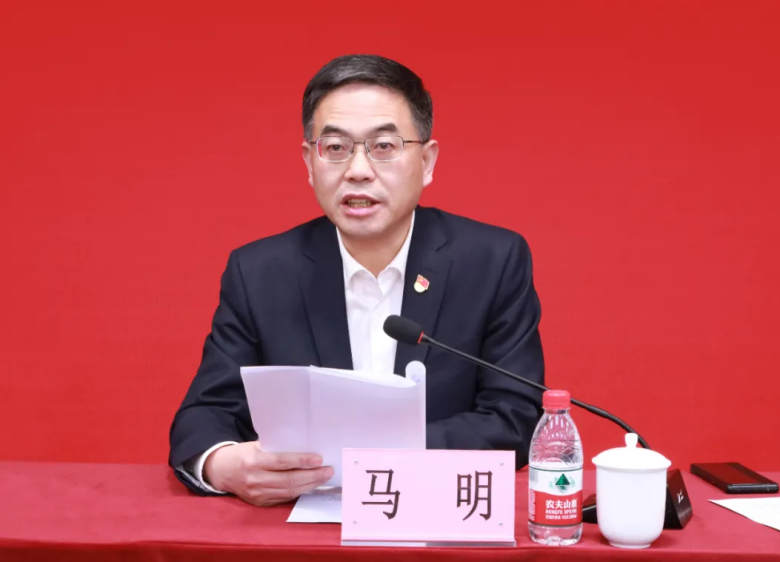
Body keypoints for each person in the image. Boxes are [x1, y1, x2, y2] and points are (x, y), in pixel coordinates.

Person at [168, 54, 545, 507]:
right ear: (310, 162)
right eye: (336, 148)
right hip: (297, 523)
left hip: (435, 514)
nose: (358, 170)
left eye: (384, 146)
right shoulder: (261, 272)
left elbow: (514, 415)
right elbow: (204, 415)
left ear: (427, 161)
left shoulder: (491, 261)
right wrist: (221, 463)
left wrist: (378, 457)